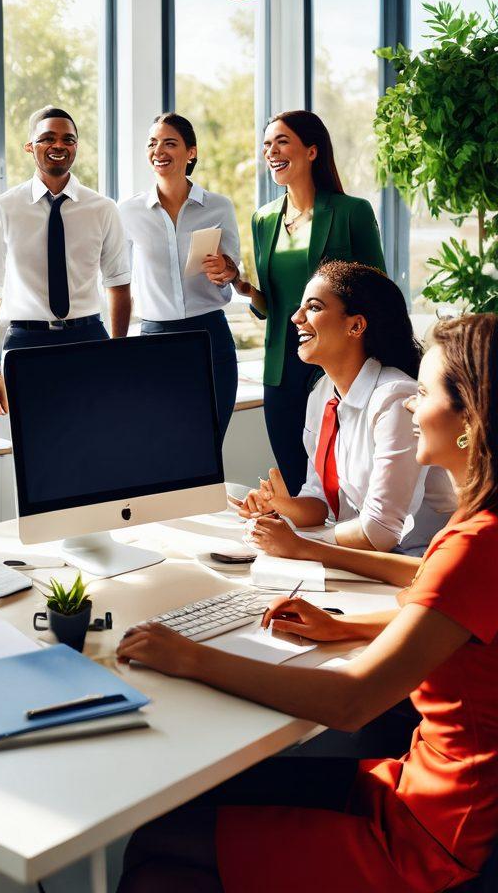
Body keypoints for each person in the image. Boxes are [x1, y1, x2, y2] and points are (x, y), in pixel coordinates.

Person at [117, 313, 498, 893]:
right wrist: (345, 629)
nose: (409, 409)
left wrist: (189, 657)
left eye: (422, 393)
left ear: (469, 419)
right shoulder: (481, 531)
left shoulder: (475, 544)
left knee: (157, 858)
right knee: (160, 833)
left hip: (432, 837)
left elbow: (350, 704)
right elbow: (445, 608)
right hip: (420, 787)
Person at [234, 262, 456, 556]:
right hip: (365, 559)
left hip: (417, 561)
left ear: (356, 325)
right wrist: (279, 506)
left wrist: (300, 544)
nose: (296, 317)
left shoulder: (396, 399)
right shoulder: (322, 393)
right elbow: (319, 502)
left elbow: (380, 530)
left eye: (313, 307)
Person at [231, 111, 386, 495]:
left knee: (341, 482)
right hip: (281, 368)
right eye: (267, 144)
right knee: (298, 482)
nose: (271, 151)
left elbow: (379, 294)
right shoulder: (263, 219)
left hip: (336, 365)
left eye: (281, 141)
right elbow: (272, 306)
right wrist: (245, 289)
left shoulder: (351, 212)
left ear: (312, 150)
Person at [0, 106, 131, 416]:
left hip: (89, 339)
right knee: (34, 448)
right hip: (26, 343)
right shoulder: (2, 209)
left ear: (76, 146)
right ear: (29, 147)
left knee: (96, 439)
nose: (58, 145)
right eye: (47, 138)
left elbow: (118, 285)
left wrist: (118, 354)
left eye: (68, 139)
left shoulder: (103, 209)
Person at [119, 113, 241, 440]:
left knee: (210, 443)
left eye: (170, 143)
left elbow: (234, 269)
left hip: (210, 335)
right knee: (163, 443)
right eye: (152, 143)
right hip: (155, 338)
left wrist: (226, 270)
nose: (159, 150)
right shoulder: (128, 212)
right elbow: (118, 281)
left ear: (191, 152)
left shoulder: (219, 206)